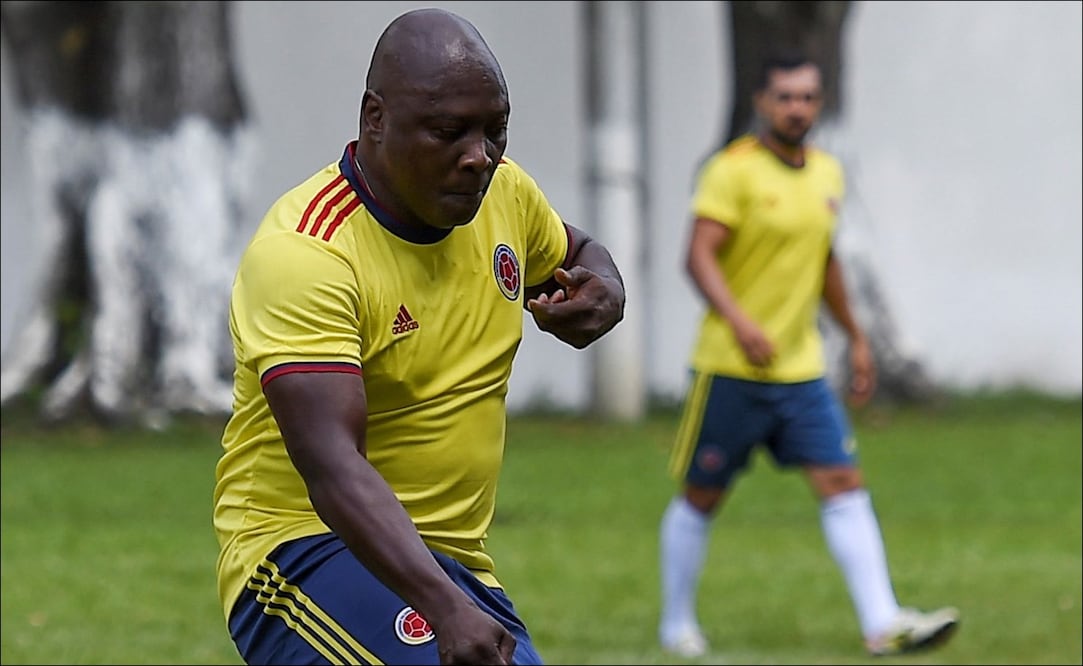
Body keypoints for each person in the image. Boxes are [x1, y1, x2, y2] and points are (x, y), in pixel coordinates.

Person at [212, 8, 625, 665]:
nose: (477, 157)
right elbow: (332, 466)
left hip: (453, 563)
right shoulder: (307, 252)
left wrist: (604, 288)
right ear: (374, 118)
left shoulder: (504, 197)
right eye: (447, 132)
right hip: (305, 550)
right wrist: (444, 609)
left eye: (495, 132)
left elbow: (577, 249)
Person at [657, 51, 959, 659]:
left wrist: (857, 335)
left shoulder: (826, 173)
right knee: (702, 495)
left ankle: (883, 623)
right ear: (763, 104)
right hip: (731, 369)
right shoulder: (731, 171)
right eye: (785, 97)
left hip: (801, 369)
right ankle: (676, 624)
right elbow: (698, 256)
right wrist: (740, 322)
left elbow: (823, 263)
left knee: (844, 481)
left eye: (808, 98)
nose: (797, 109)